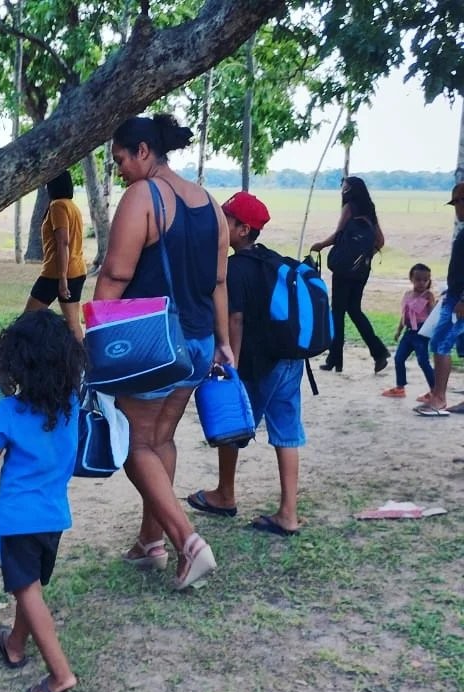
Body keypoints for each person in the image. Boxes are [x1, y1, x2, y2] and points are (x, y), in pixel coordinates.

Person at [93, 113, 233, 590]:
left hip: (151, 344)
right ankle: (150, 540)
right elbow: (218, 282)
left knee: (133, 443)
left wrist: (94, 336)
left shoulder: (143, 197)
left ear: (143, 151)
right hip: (197, 342)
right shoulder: (210, 203)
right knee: (162, 440)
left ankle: (187, 543)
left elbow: (115, 274)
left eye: (120, 160)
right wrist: (223, 342)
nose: (119, 172)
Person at [0, 309, 86, 692]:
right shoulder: (71, 404)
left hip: (17, 521)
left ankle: (60, 675)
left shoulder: (8, 411)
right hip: (54, 517)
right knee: (31, 586)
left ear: (15, 363)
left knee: (26, 591)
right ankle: (14, 645)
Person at [187, 192, 304, 536]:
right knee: (287, 432)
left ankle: (225, 494)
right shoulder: (273, 260)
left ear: (243, 229)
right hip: (289, 359)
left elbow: (234, 320)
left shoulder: (235, 268)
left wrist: (230, 367)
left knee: (230, 423)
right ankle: (289, 513)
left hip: (259, 363)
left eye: (226, 219)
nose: (220, 223)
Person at [310, 176, 390, 373]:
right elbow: (380, 241)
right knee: (354, 309)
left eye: (344, 187)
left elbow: (338, 235)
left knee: (337, 312)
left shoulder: (349, 208)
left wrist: (320, 245)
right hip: (361, 270)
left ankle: (335, 358)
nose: (342, 190)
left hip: (344, 269)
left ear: (350, 189)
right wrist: (364, 256)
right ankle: (378, 352)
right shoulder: (369, 210)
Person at [413, 181, 464, 417]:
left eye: (458, 203)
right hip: (454, 294)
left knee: (441, 342)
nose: (457, 209)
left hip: (459, 299)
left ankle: (439, 398)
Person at [24, 170, 86, 342]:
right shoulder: (72, 206)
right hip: (77, 270)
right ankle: (82, 358)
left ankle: (23, 355)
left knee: (27, 320)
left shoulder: (57, 206)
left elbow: (63, 242)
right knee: (73, 324)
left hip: (56, 274)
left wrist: (62, 279)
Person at [381, 263, 436, 398]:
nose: (422, 283)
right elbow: (404, 315)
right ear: (411, 279)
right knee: (399, 358)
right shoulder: (408, 294)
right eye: (418, 279)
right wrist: (398, 331)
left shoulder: (428, 295)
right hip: (409, 332)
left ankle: (435, 390)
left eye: (425, 280)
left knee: (423, 361)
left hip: (421, 332)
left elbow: (432, 315)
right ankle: (400, 387)